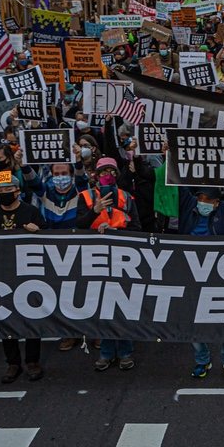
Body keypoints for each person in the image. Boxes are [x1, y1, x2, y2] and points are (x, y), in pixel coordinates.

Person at [179, 147, 224, 378]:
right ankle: (202, 361)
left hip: (222, 278)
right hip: (193, 277)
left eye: (208, 199)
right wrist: (172, 158)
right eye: (200, 198)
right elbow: (179, 186)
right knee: (196, 325)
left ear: (217, 203)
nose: (203, 202)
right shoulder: (189, 211)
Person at [0, 174, 47, 383]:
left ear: (17, 191)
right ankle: (13, 363)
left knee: (31, 316)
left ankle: (32, 361)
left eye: (8, 189)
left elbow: (49, 238)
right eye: (0, 190)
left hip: (27, 273)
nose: (4, 193)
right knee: (4, 317)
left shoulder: (30, 212)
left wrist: (38, 231)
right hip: (0, 274)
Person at [76, 157, 141, 371]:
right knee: (103, 307)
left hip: (123, 259)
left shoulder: (126, 197)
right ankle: (105, 352)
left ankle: (125, 352)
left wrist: (118, 232)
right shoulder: (84, 197)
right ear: (95, 175)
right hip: (95, 260)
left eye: (112, 172)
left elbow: (138, 228)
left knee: (122, 307)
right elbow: (77, 227)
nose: (108, 175)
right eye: (104, 172)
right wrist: (95, 211)